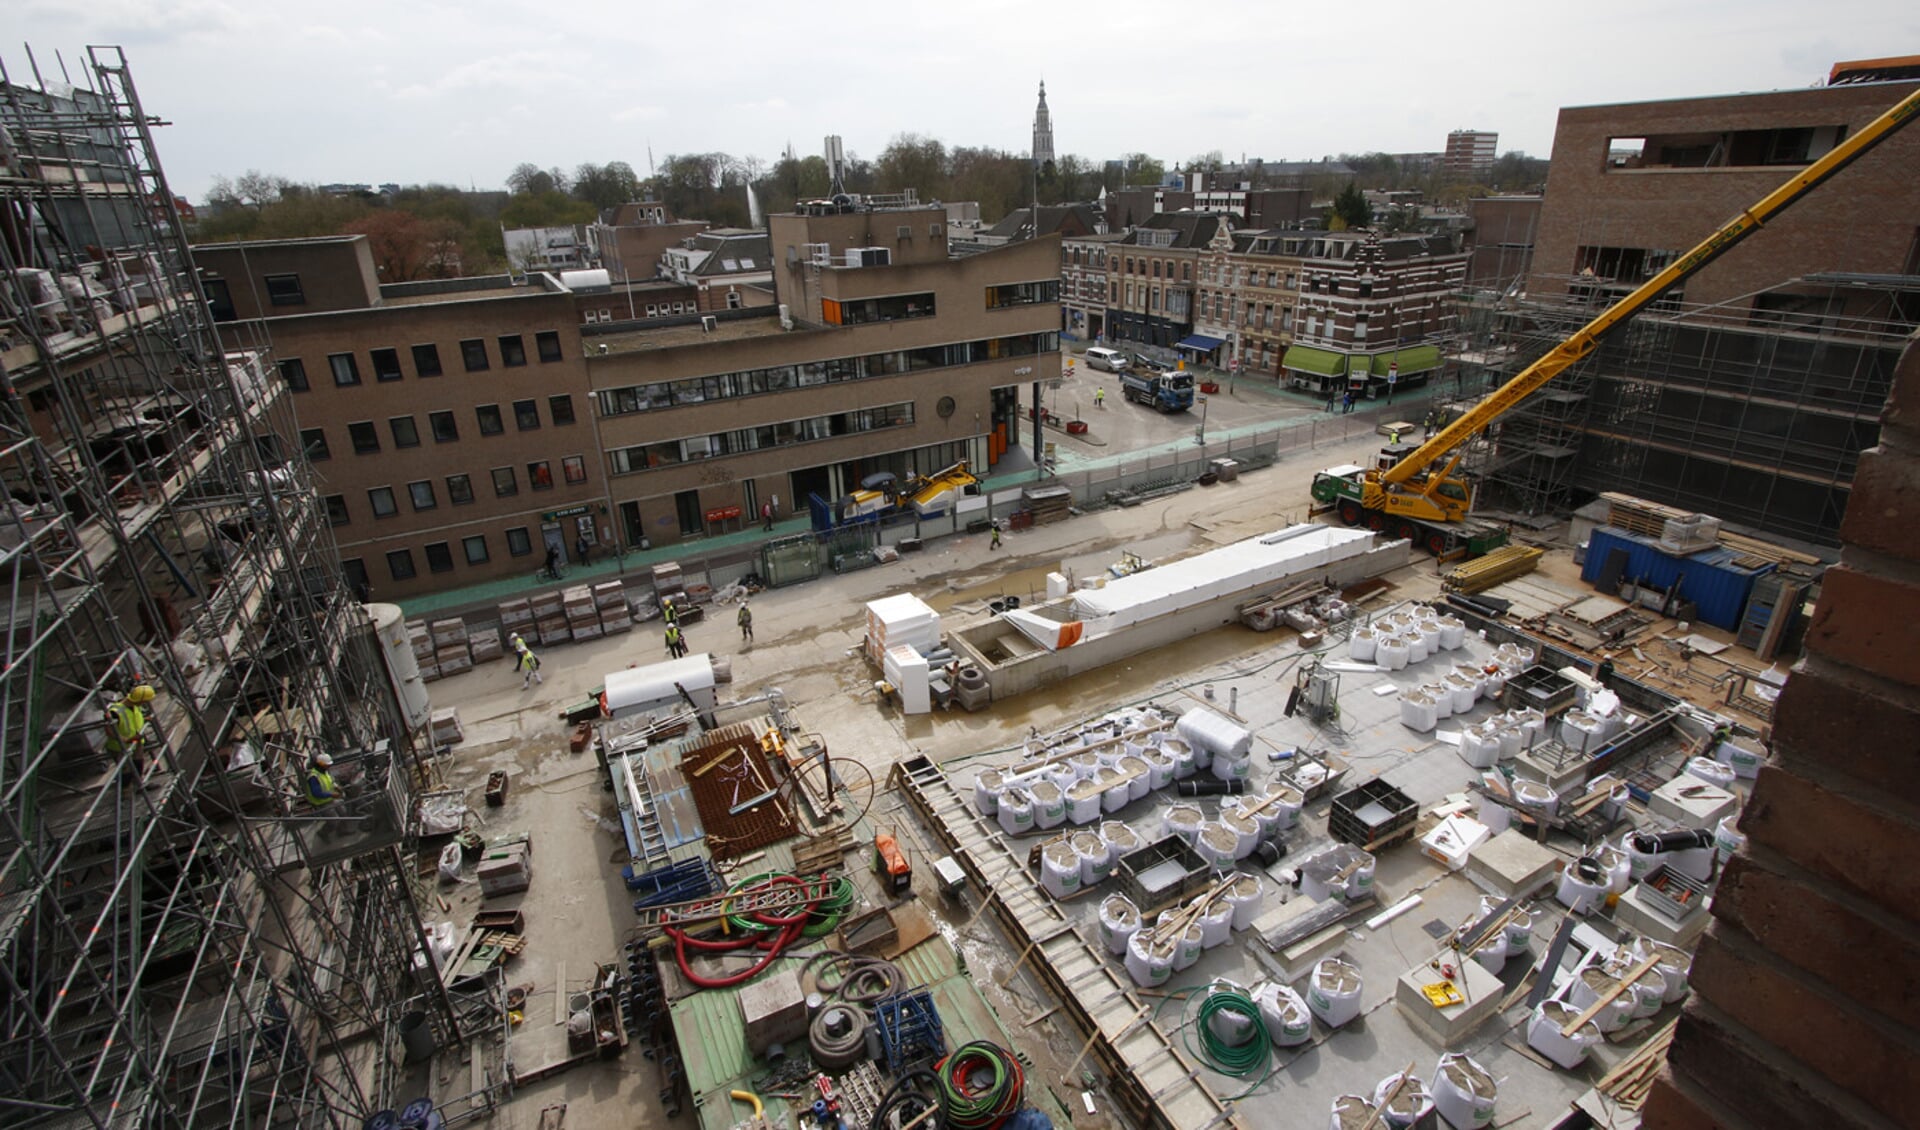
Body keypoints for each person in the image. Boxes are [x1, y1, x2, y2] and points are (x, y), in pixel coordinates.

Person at [105, 684, 155, 763]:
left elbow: (131, 720)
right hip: (120, 748)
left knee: (138, 768)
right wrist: (126, 740)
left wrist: (144, 719)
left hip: (136, 744)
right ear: (140, 701)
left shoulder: (135, 706)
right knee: (128, 773)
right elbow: (109, 731)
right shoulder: (115, 711)